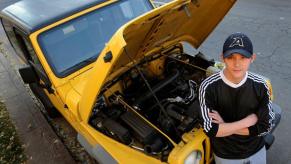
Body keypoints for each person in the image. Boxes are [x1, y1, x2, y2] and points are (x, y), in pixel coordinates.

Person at [199, 32, 275, 164]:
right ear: (222, 58)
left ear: (252, 58)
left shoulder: (260, 85)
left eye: (243, 57)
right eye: (231, 57)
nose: (237, 63)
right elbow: (210, 130)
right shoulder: (208, 87)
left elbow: (265, 127)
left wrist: (224, 126)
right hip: (225, 156)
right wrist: (249, 121)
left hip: (256, 150)